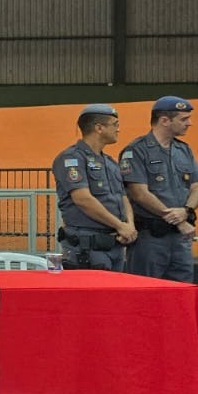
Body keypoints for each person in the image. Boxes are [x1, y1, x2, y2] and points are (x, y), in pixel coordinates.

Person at [121, 96, 198, 282]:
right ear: (165, 120)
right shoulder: (136, 151)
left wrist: (186, 211)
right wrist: (178, 220)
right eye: (183, 119)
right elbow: (139, 193)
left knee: (181, 291)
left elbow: (196, 187)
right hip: (151, 238)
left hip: (180, 239)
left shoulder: (184, 150)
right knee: (146, 291)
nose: (189, 123)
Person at [52, 104, 135, 271]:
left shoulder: (110, 162)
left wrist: (130, 226)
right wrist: (121, 226)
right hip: (87, 247)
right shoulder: (72, 158)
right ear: (99, 128)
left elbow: (123, 197)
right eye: (115, 125)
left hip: (114, 245)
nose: (118, 129)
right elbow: (83, 199)